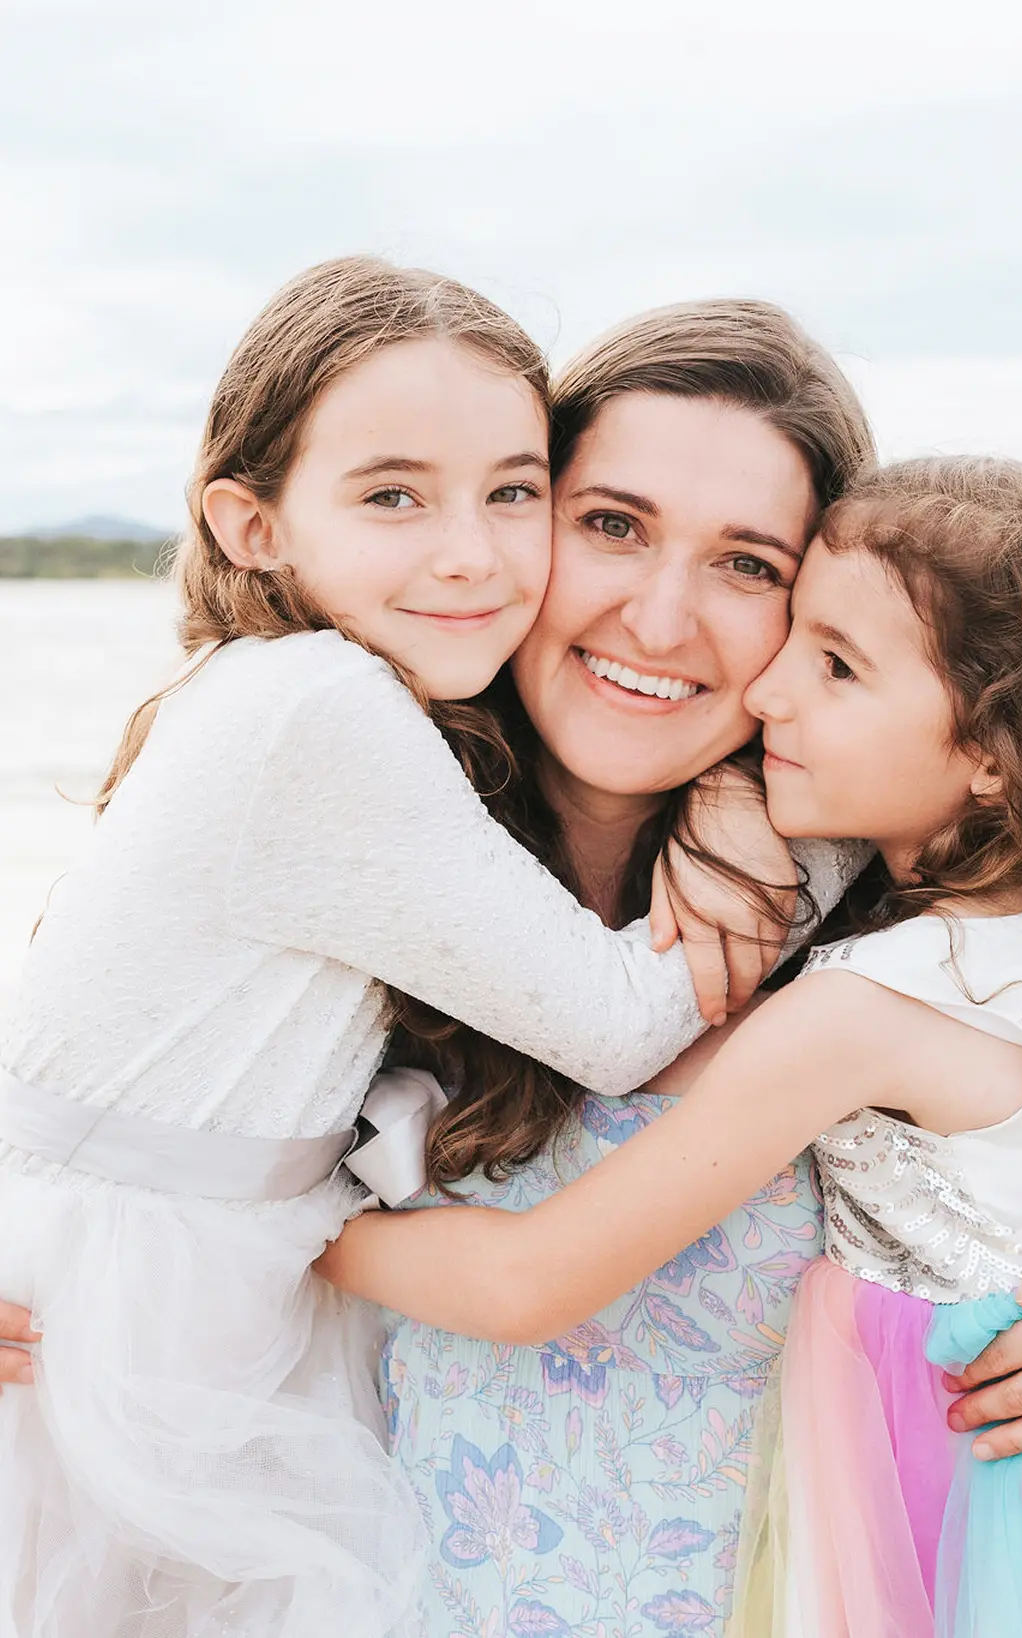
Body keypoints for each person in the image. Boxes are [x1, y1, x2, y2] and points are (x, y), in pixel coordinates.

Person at [0, 256, 802, 1638]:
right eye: (391, 495)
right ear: (252, 526)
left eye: (510, 491)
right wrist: (804, 821)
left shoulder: (329, 706)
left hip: (190, 1302)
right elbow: (615, 1024)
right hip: (118, 1326)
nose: (471, 554)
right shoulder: (323, 712)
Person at [320, 455, 1022, 1635]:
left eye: (833, 667)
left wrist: (287, 1234)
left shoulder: (854, 1014)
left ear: (994, 753)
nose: (766, 692)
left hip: (941, 1515)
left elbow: (526, 1283)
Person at [360, 298, 876, 1637]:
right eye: (612, 524)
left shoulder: (882, 913)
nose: (658, 616)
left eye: (746, 564)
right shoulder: (344, 849)